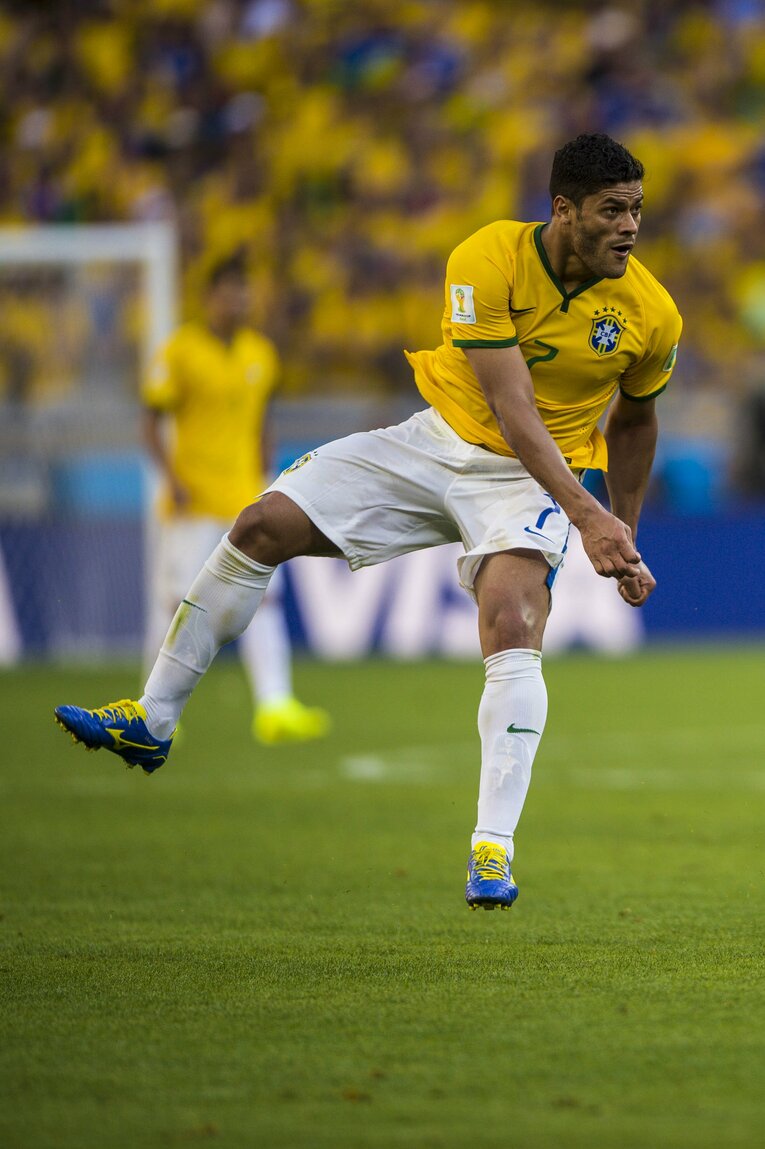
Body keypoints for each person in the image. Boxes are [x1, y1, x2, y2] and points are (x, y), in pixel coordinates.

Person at [55, 134, 681, 911]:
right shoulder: (484, 260)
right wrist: (589, 516)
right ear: (562, 209)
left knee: (514, 617)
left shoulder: (651, 313)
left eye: (637, 210)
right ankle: (152, 718)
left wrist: (622, 533)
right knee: (259, 525)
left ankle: (492, 850)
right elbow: (511, 407)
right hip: (435, 441)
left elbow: (634, 425)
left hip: (526, 484)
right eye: (611, 210)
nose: (629, 227)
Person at [141, 254, 330, 745]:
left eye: (245, 290)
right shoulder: (179, 351)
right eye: (231, 290)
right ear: (210, 296)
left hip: (245, 497)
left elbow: (263, 422)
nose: (240, 299)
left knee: (266, 600)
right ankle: (153, 710)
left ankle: (275, 705)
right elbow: (150, 422)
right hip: (192, 502)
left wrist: (268, 475)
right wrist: (170, 477)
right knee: (174, 604)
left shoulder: (259, 354)